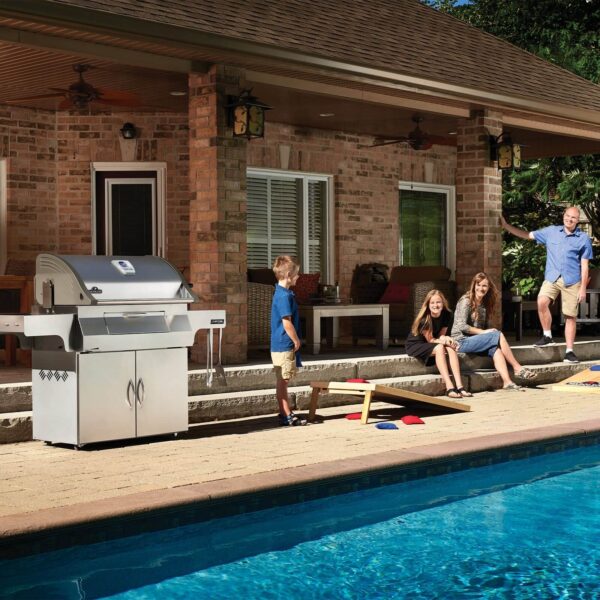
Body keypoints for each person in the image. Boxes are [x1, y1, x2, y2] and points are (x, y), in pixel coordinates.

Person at [501, 207, 593, 363]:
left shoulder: (583, 238)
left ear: (577, 220)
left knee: (570, 316)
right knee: (541, 301)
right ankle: (547, 335)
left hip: (572, 280)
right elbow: (528, 235)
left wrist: (583, 288)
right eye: (567, 216)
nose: (569, 219)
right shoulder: (551, 232)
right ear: (564, 216)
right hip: (552, 277)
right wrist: (506, 226)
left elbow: (584, 265)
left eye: (573, 218)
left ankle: (569, 352)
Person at [451, 272, 537, 391]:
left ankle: (507, 382)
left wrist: (486, 332)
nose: (481, 288)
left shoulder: (483, 305)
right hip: (460, 340)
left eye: (484, 286)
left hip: (474, 340)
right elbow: (461, 326)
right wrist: (484, 332)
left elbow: (482, 327)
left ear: (489, 288)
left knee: (495, 349)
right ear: (474, 285)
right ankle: (517, 368)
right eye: (479, 285)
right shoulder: (466, 301)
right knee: (498, 334)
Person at [406, 289, 472, 399]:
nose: (435, 305)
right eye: (432, 303)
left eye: (438, 302)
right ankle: (449, 387)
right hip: (416, 344)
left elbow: (441, 335)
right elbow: (431, 340)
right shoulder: (424, 319)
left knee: (450, 348)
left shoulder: (447, 314)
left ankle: (460, 387)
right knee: (440, 347)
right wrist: (444, 341)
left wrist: (448, 340)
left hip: (433, 342)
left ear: (443, 303)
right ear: (428, 305)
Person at [270, 255, 307, 426]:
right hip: (284, 344)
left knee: (283, 379)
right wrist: (296, 340)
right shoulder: (284, 296)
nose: (299, 277)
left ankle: (284, 412)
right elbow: (286, 322)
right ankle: (286, 414)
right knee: (283, 381)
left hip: (279, 344)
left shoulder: (280, 293)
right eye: (296, 274)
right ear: (288, 276)